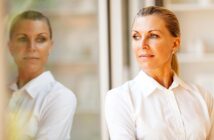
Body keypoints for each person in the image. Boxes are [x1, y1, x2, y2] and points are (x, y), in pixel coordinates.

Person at [105, 6, 214, 140]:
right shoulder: (121, 98)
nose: (142, 44)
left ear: (175, 44)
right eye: (136, 36)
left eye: (153, 36)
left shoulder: (202, 97)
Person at [7, 10, 76, 140]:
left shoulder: (59, 97)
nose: (31, 47)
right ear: (10, 47)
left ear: (50, 46)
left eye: (41, 39)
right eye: (22, 39)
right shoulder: (4, 94)